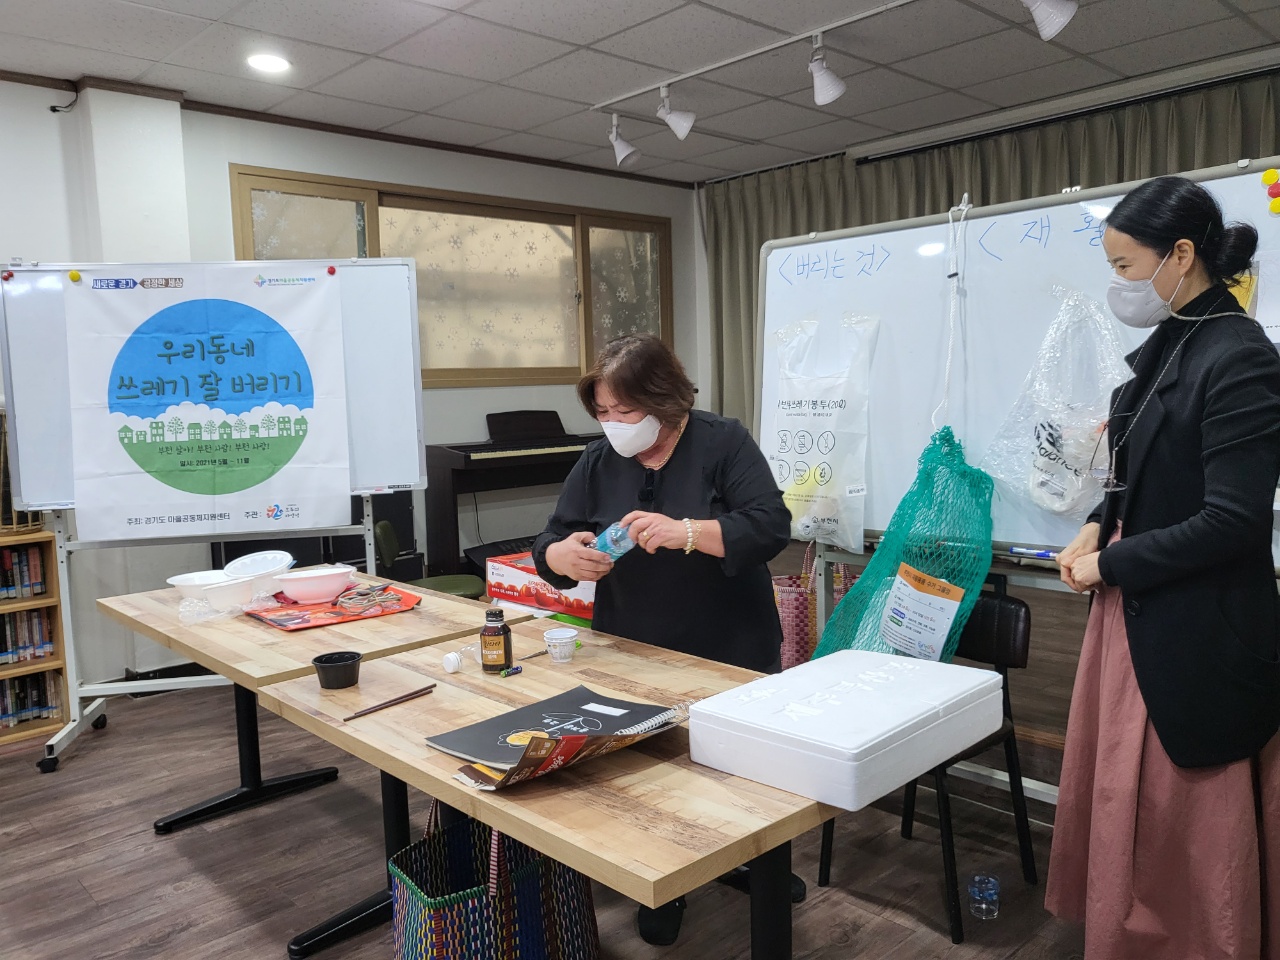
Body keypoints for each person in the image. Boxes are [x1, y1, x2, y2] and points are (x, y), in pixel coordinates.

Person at [1046, 175, 1280, 959]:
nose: (1117, 284)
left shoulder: (1238, 355)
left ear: (1180, 255)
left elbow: (1234, 522)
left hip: (1194, 628)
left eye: (1124, 266)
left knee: (1185, 821)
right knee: (1129, 803)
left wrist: (1112, 563)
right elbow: (1134, 473)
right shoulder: (1170, 341)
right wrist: (1092, 526)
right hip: (1139, 614)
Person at [533, 333, 799, 946]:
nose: (614, 425)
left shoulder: (721, 441)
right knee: (648, 775)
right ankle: (663, 882)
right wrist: (560, 556)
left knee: (745, 773)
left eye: (626, 411)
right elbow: (551, 538)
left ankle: (759, 862)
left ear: (664, 400)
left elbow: (769, 527)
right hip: (634, 644)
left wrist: (689, 532)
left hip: (728, 641)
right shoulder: (599, 460)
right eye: (603, 412)